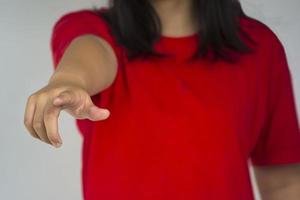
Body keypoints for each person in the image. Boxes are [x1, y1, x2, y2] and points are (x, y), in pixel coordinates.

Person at [24, 0, 300, 199]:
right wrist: (70, 80)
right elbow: (91, 52)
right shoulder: (92, 28)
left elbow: (283, 183)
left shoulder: (259, 47)